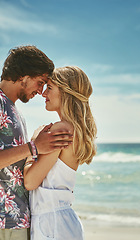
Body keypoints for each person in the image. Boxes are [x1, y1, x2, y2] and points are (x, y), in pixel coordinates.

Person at [0, 45, 73, 240]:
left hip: (18, 222)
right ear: (23, 76)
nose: (41, 91)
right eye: (40, 82)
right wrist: (33, 147)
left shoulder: (13, 109)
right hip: (1, 223)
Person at [23, 66, 97, 240]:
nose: (43, 93)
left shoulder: (61, 129)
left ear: (65, 92)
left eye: (49, 88)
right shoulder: (73, 128)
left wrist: (33, 146)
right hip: (61, 222)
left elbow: (30, 181)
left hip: (52, 224)